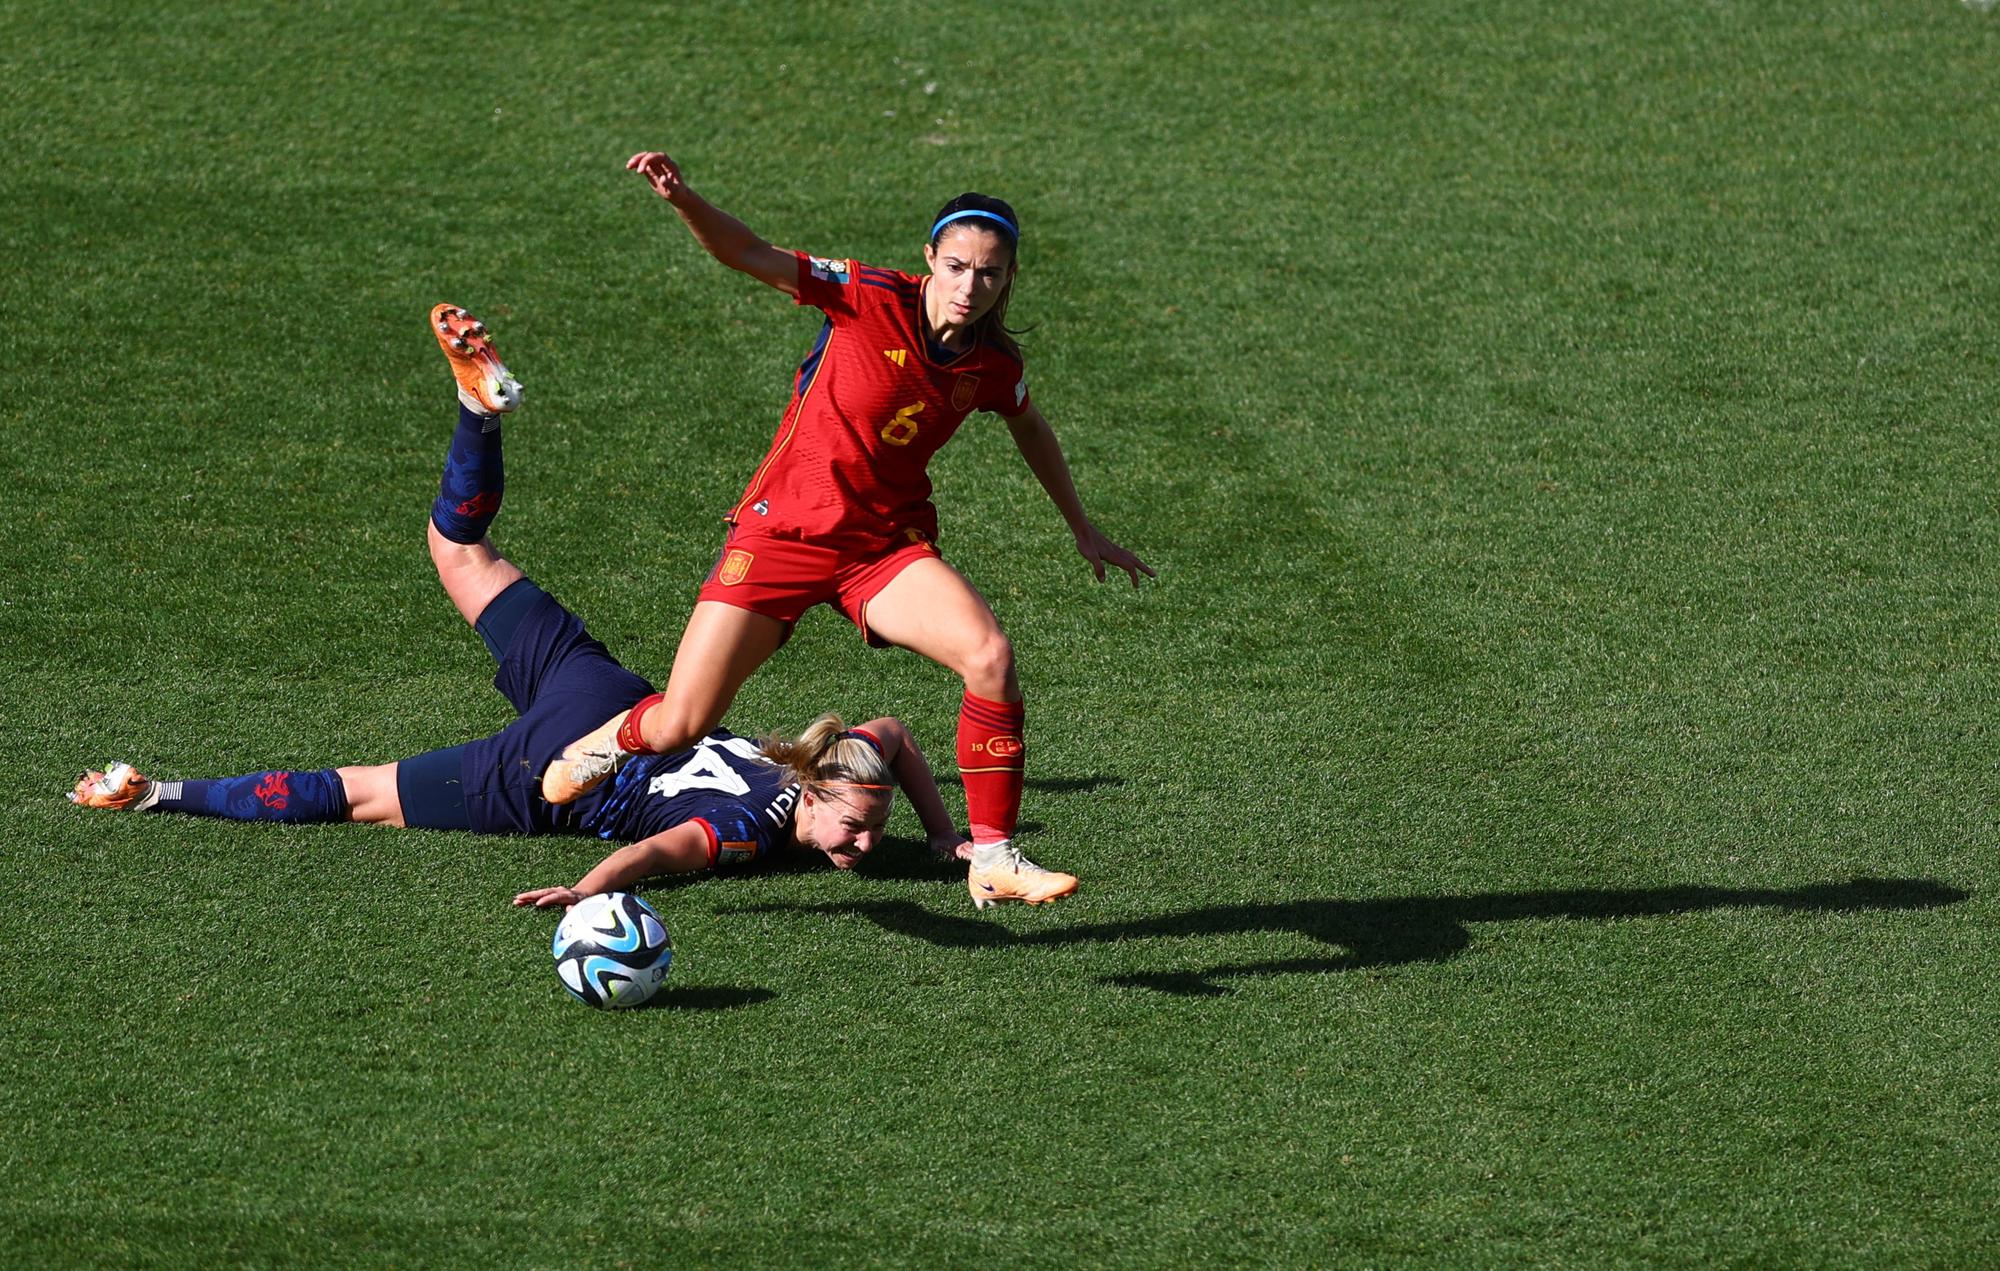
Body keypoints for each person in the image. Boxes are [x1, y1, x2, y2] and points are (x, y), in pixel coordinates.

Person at [66, 307, 975, 896]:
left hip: (612, 698)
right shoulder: (748, 831)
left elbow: (890, 731)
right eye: (857, 828)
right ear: (814, 793)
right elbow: (662, 855)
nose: (859, 847)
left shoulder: (813, 766)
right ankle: (157, 794)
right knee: (360, 795)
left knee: (459, 547)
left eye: (869, 830)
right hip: (563, 765)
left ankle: (479, 416)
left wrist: (940, 832)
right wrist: (589, 890)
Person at [539, 152, 1155, 909]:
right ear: (929, 258)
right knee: (680, 722)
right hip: (781, 537)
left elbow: (1029, 423)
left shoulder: (992, 362)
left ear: (1009, 278)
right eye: (957, 266)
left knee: (990, 656)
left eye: (990, 274)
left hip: (879, 549)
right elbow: (749, 253)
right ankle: (611, 740)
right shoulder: (864, 293)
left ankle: (993, 852)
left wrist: (1082, 527)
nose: (970, 287)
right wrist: (683, 198)